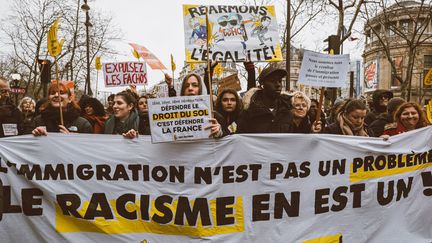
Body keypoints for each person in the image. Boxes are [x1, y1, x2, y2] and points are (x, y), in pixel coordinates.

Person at [165, 72, 223, 138]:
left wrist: (219, 132)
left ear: (201, 88)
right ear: (183, 90)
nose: (190, 88)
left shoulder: (213, 115)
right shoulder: (175, 114)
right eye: (186, 86)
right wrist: (170, 86)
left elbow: (230, 137)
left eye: (195, 85)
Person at [237, 66, 293, 133]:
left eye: (280, 81)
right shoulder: (249, 110)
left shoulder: (288, 110)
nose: (278, 84)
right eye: (272, 81)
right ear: (262, 84)